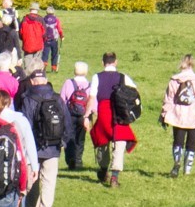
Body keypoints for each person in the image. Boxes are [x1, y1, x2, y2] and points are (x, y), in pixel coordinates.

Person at [14, 67, 66, 207]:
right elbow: (66, 121)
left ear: (31, 82)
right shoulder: (57, 98)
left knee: (32, 177)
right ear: (45, 80)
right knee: (49, 180)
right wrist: (63, 141)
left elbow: (26, 124)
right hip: (53, 146)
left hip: (34, 146)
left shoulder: (28, 99)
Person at [90, 52, 141, 189]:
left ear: (103, 63)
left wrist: (87, 115)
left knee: (102, 141)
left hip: (103, 112)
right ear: (116, 62)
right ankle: (114, 177)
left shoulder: (97, 77)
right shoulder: (123, 77)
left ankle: (103, 168)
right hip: (119, 113)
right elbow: (135, 91)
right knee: (120, 143)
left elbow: (92, 97)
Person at [160, 55, 195, 176]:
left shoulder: (174, 80)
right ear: (193, 64)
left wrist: (163, 116)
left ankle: (177, 161)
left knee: (178, 141)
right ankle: (187, 170)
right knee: (191, 143)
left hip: (178, 115)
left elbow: (168, 99)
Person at [58, 61, 94, 171]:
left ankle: (70, 159)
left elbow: (62, 100)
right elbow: (92, 102)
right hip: (83, 115)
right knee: (80, 138)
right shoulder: (89, 85)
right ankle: (78, 160)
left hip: (69, 114)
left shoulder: (68, 83)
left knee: (69, 137)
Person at [40, 7, 63, 71]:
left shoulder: (43, 19)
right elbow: (59, 29)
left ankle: (43, 67)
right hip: (54, 40)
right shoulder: (56, 19)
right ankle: (54, 67)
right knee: (54, 54)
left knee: (45, 54)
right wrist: (62, 36)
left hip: (45, 40)